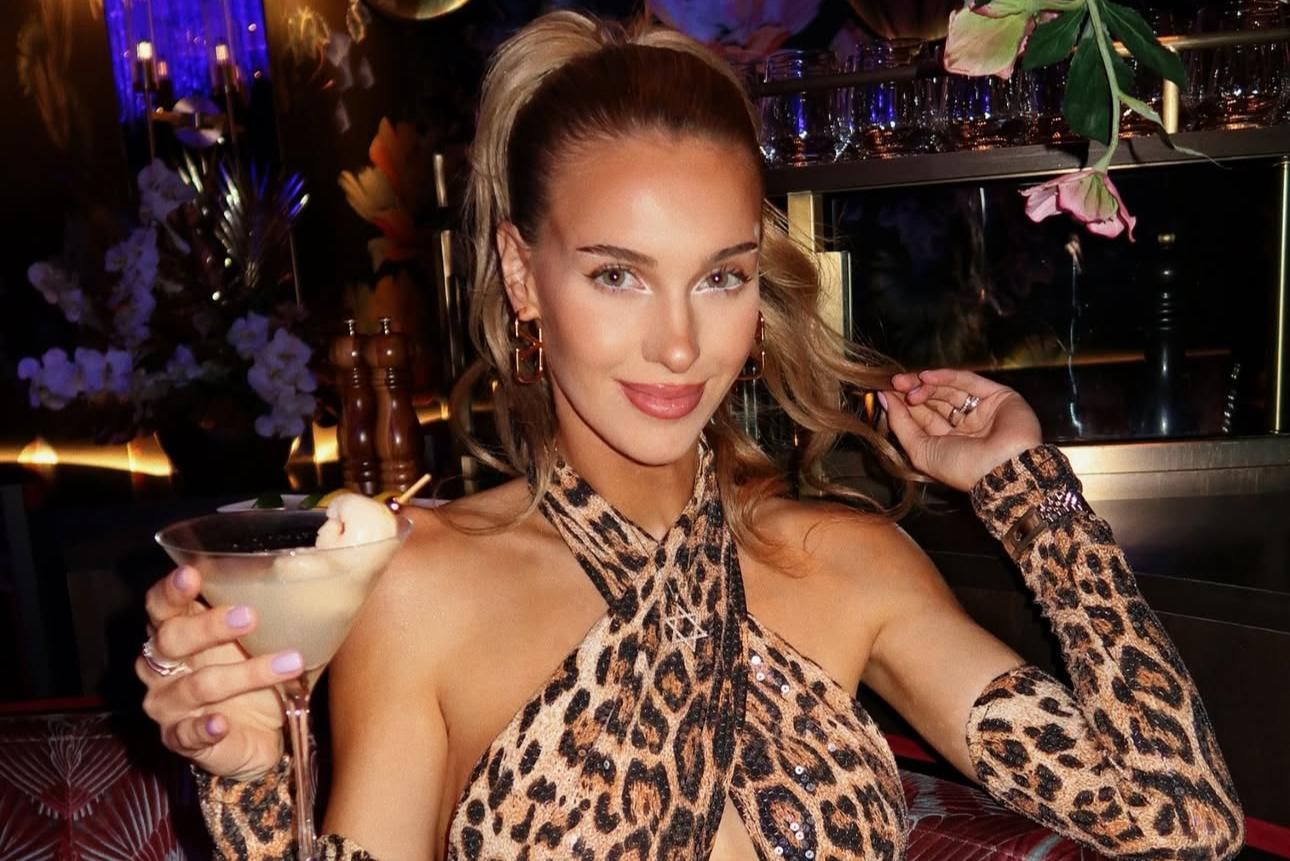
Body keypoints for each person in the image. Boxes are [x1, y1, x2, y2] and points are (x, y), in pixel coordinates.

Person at [136, 11, 1244, 861]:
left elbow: (1182, 818)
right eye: (617, 274)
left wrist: (1028, 491)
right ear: (522, 274)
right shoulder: (418, 584)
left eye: (719, 278)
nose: (677, 345)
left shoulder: (847, 563)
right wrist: (250, 781)